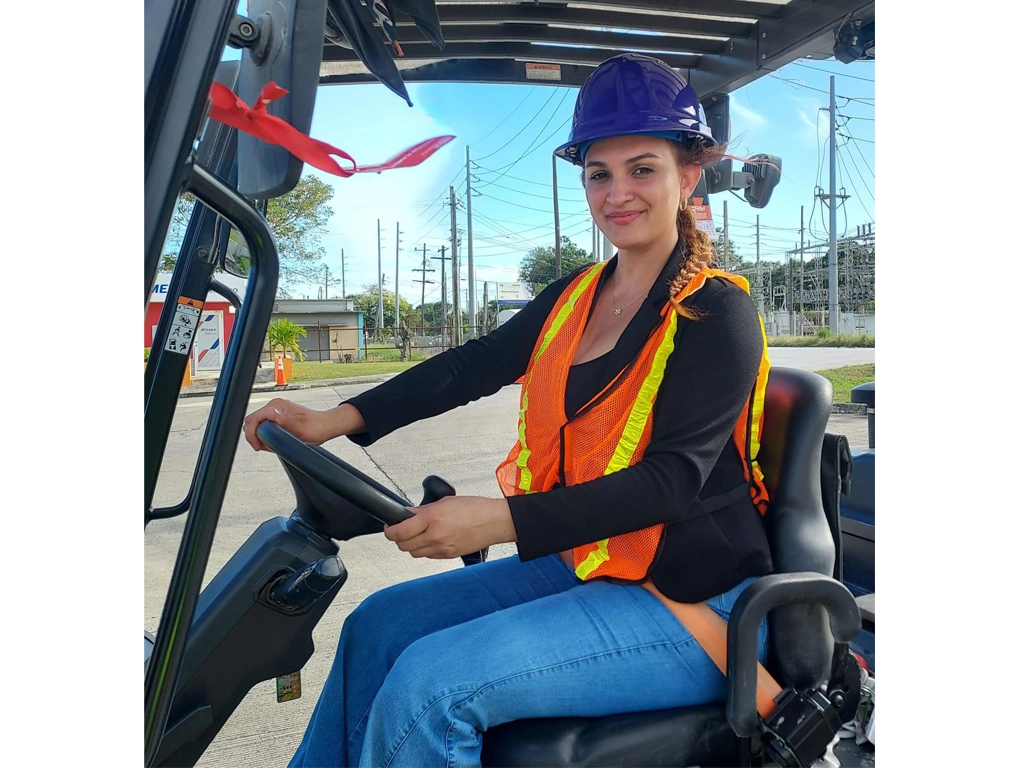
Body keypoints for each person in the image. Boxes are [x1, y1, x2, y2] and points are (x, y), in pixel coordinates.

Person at [242, 52, 773, 768]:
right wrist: (332, 420)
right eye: (599, 174)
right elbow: (473, 366)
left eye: (642, 169)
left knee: (432, 687)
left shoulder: (718, 312)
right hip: (593, 561)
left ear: (688, 176)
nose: (618, 193)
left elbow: (672, 482)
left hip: (697, 597)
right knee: (377, 625)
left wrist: (499, 519)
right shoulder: (575, 295)